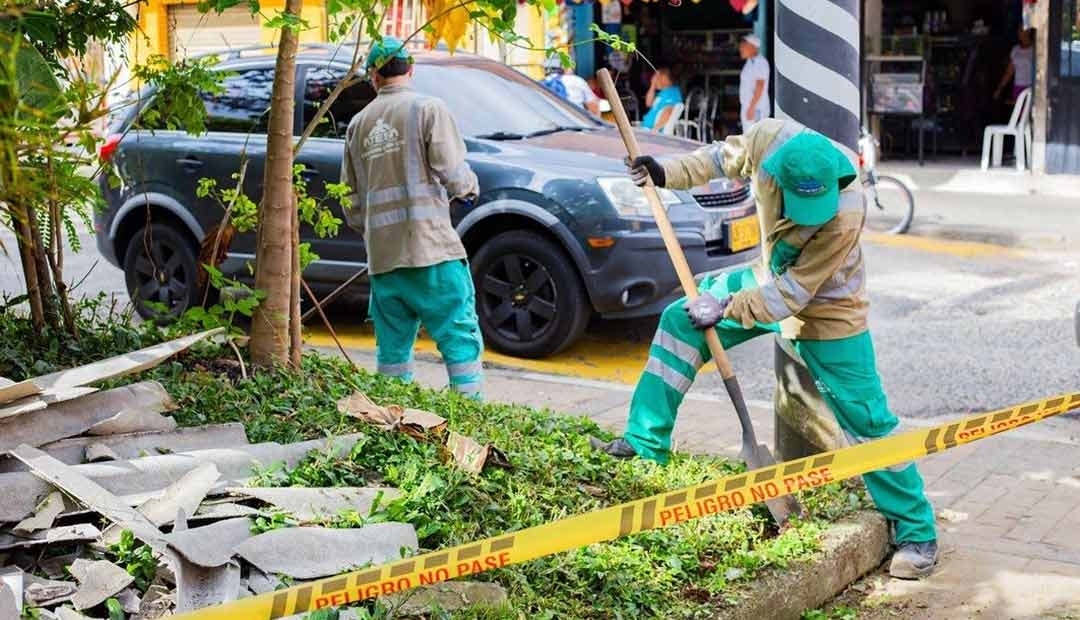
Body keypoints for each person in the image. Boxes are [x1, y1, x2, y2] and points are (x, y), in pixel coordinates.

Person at [591, 118, 939, 580]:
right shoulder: (766, 140)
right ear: (777, 174)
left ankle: (917, 529)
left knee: (868, 420)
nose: (801, 217)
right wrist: (665, 173)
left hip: (829, 306)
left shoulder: (846, 212)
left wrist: (726, 305)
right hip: (768, 273)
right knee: (681, 320)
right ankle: (644, 441)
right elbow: (718, 159)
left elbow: (794, 295)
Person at [341, 37, 484, 397]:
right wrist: (468, 189)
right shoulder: (427, 109)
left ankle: (394, 416)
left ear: (373, 77)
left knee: (392, 353)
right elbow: (452, 171)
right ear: (410, 70)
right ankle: (472, 414)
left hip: (384, 261)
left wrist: (375, 231)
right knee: (458, 337)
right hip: (430, 251)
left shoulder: (358, 125)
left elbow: (350, 203)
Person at [738, 34, 770, 131]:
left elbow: (760, 86)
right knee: (749, 138)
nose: (741, 48)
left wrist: (752, 107)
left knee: (755, 139)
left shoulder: (760, 62)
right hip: (748, 107)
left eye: (744, 45)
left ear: (753, 47)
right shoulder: (750, 62)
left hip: (756, 108)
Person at [995, 28, 1035, 101]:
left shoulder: (1035, 49)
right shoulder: (1015, 49)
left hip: (1031, 87)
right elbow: (1009, 72)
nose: (1018, 33)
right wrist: (1000, 88)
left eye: (1020, 30)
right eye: (1018, 30)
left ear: (1028, 31)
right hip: (1018, 87)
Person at [641, 66, 682, 131]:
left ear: (664, 78)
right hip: (646, 128)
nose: (654, 79)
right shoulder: (662, 92)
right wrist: (652, 85)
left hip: (652, 131)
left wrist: (655, 130)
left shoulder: (672, 93)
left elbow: (668, 111)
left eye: (656, 78)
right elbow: (648, 103)